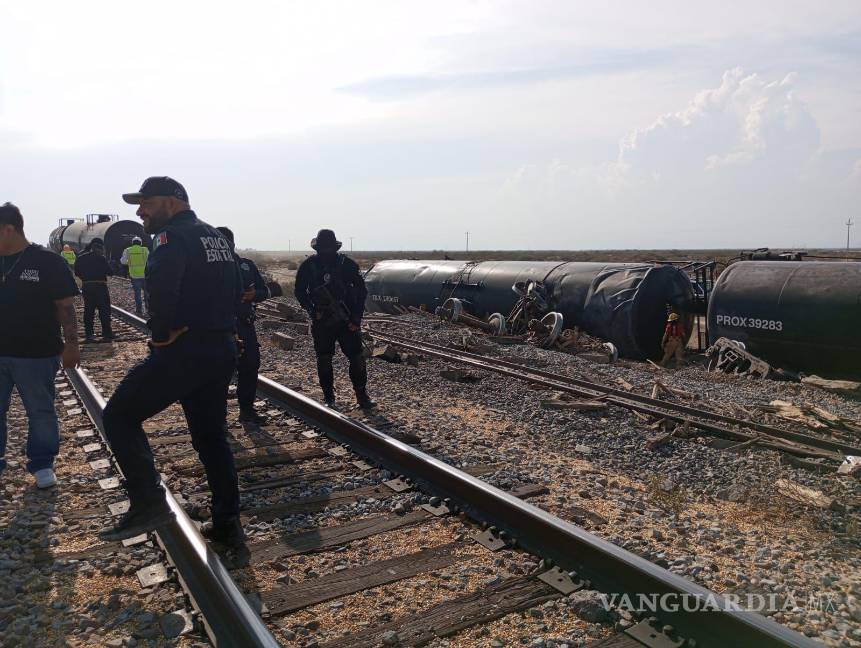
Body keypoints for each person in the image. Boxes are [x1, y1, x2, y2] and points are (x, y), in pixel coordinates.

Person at [99, 177, 244, 547]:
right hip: (220, 348)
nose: (140, 211)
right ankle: (227, 523)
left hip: (185, 351)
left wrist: (161, 333)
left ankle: (148, 502)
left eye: (146, 202)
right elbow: (236, 289)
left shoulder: (170, 237)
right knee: (211, 437)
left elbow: (162, 287)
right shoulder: (215, 236)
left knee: (118, 416)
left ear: (173, 201)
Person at [0, 202, 80, 488]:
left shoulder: (47, 261)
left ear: (8, 229)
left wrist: (72, 345)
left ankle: (42, 463)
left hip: (36, 354)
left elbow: (65, 306)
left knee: (40, 411)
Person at [294, 229, 374, 409]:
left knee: (356, 358)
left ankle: (361, 395)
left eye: (328, 248)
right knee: (324, 359)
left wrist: (356, 318)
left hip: (347, 321)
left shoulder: (347, 265)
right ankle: (329, 397)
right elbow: (299, 291)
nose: (326, 252)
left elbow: (361, 291)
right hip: (322, 321)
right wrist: (312, 310)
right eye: (323, 248)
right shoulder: (308, 265)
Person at [216, 227, 270, 424]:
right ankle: (218, 418)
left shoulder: (246, 265)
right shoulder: (207, 268)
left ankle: (247, 411)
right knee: (219, 372)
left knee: (250, 367)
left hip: (245, 325)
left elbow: (264, 290)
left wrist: (254, 295)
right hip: (219, 328)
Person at [74, 238, 114, 342]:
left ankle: (89, 334)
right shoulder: (101, 258)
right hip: (101, 286)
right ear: (99, 249)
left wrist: (85, 278)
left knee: (89, 310)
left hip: (87, 286)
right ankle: (107, 333)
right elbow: (110, 272)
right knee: (104, 310)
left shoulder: (81, 258)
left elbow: (76, 272)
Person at [121, 236, 149, 315]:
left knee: (137, 293)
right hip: (145, 275)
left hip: (134, 275)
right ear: (141, 243)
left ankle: (139, 309)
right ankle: (148, 307)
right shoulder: (145, 250)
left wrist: (129, 262)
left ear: (132, 243)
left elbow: (123, 261)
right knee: (147, 293)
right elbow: (149, 260)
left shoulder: (127, 250)